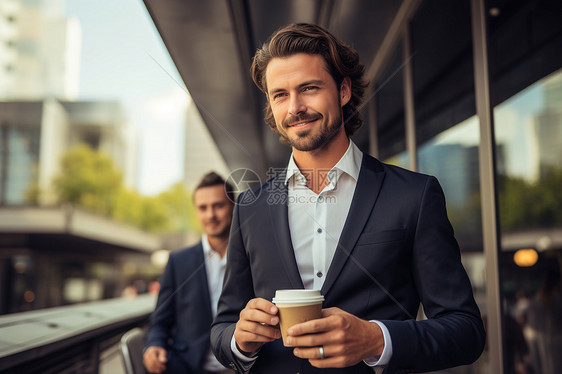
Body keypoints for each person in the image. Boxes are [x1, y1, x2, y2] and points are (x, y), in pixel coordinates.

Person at [210, 23, 486, 374]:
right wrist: (239, 339)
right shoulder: (250, 206)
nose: (295, 107)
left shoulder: (414, 195)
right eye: (280, 94)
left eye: (309, 88)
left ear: (343, 90)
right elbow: (221, 330)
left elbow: (466, 330)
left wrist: (376, 339)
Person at [143, 172, 235, 374]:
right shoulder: (178, 262)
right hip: (187, 367)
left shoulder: (251, 257)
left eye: (218, 205)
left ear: (233, 207)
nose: (210, 215)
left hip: (243, 367)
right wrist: (154, 345)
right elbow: (160, 321)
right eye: (203, 208)